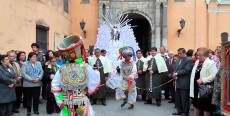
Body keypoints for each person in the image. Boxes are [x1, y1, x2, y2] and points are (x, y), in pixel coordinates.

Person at [51, 35, 100, 116]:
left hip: (66, 101)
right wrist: (97, 72)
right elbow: (95, 80)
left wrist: (59, 100)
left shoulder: (62, 69)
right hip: (81, 100)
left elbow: (55, 85)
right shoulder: (85, 67)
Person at [190, 47, 217, 116]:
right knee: (196, 106)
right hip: (196, 89)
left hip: (205, 90)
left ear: (206, 55)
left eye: (200, 55)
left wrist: (203, 80)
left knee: (206, 108)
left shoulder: (211, 63)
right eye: (197, 55)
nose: (198, 57)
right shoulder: (197, 62)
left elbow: (214, 75)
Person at [172, 48, 194, 116]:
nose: (179, 55)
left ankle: (185, 112)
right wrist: (174, 73)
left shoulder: (189, 60)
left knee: (184, 98)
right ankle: (179, 110)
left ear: (185, 53)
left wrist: (176, 74)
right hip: (178, 82)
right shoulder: (178, 60)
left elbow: (186, 70)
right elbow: (175, 69)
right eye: (178, 53)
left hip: (185, 82)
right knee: (178, 98)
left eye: (180, 53)